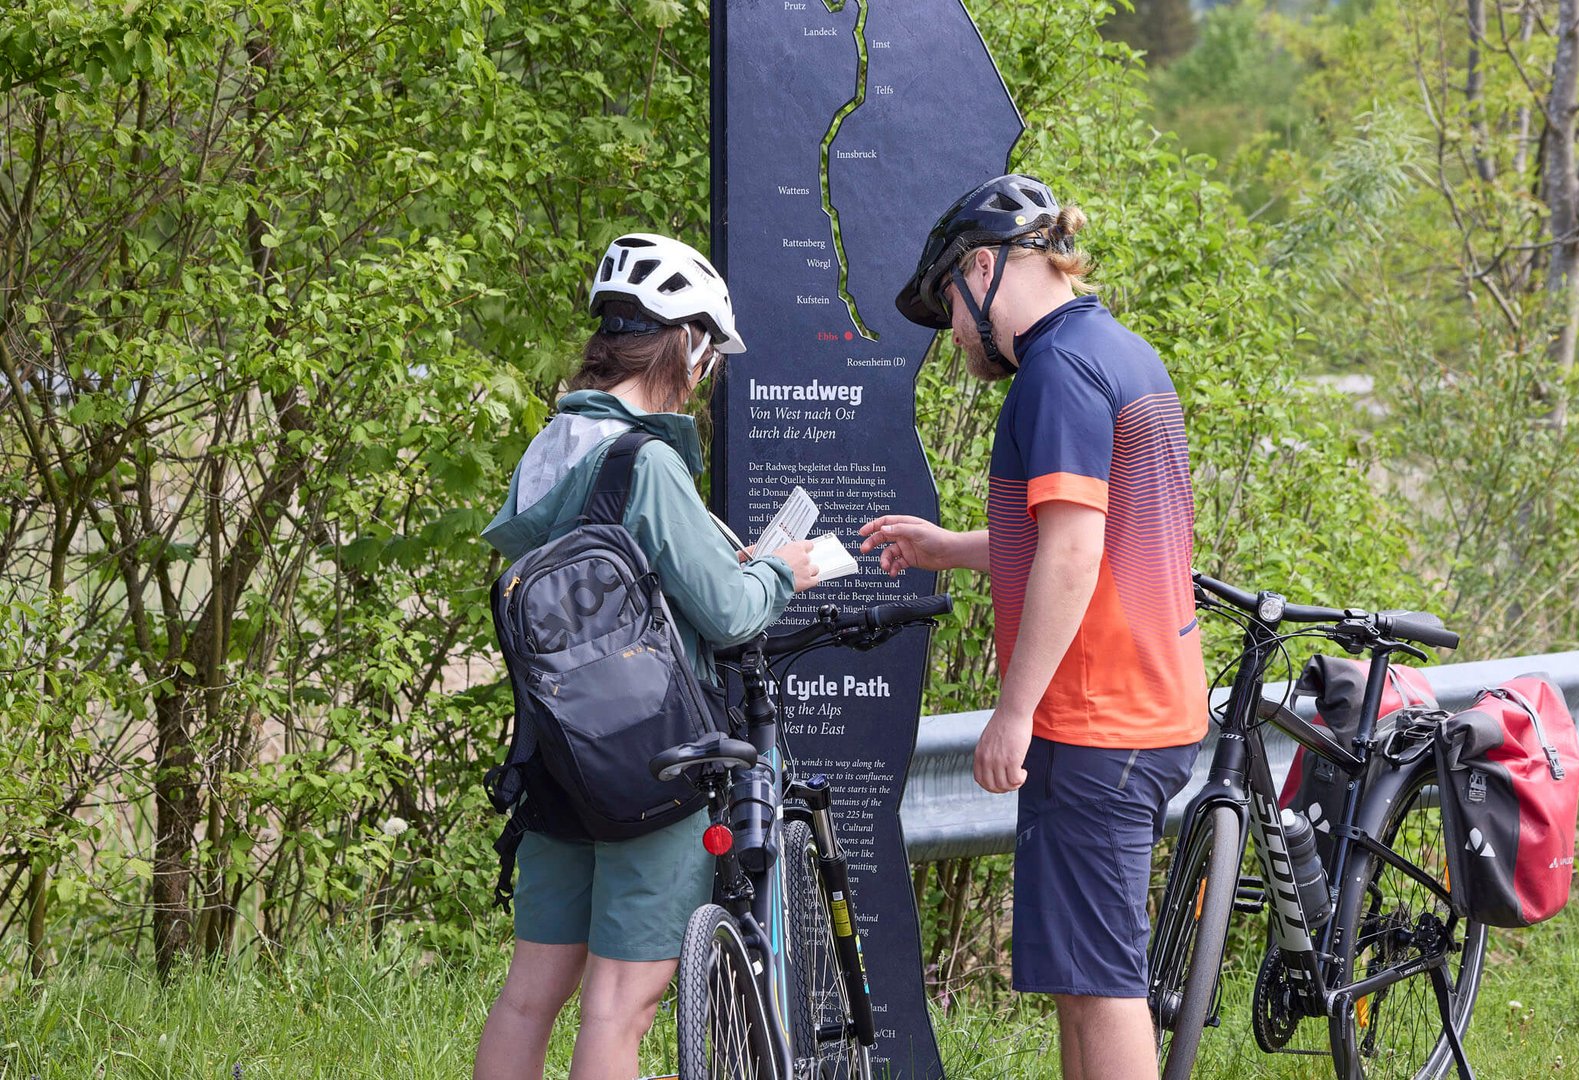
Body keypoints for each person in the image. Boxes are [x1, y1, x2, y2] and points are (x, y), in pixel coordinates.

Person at [860, 175, 1207, 1080]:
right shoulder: (1117, 351)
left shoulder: (1055, 371)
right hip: (1137, 704)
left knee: (1102, 981)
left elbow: (1072, 555)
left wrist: (1012, 712)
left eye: (951, 309)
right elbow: (1078, 531)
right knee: (1080, 975)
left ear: (984, 266)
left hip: (1097, 717)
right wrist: (948, 548)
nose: (956, 336)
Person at [473, 233, 819, 1080]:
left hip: (556, 758)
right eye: (708, 354)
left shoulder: (549, 447)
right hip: (651, 763)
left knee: (528, 998)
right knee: (620, 1008)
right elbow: (732, 614)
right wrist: (784, 570)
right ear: (689, 346)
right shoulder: (648, 460)